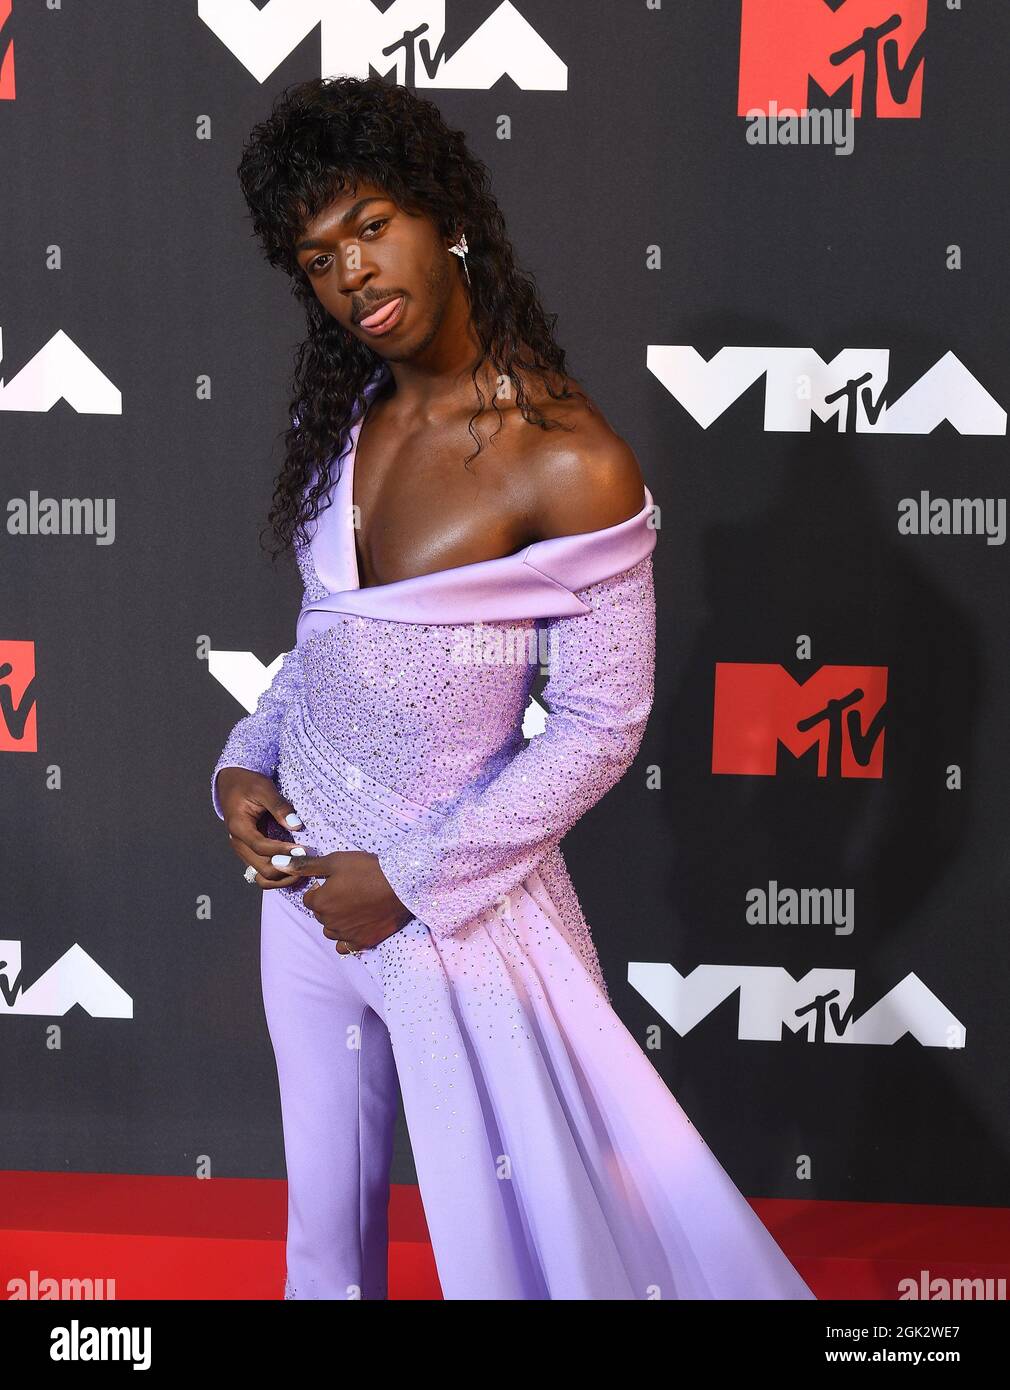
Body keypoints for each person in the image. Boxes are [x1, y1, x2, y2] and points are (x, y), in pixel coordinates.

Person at [211, 75, 816, 1302]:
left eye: (371, 225)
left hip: (450, 923)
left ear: (443, 215)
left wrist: (410, 882)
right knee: (320, 1244)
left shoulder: (567, 460)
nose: (351, 275)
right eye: (318, 256)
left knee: (509, 1258)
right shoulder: (348, 423)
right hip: (303, 903)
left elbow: (600, 728)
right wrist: (240, 761)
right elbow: (324, 643)